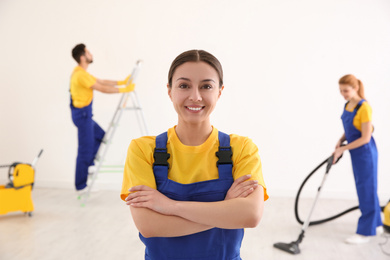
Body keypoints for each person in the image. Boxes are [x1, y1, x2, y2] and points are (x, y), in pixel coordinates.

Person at [121, 50, 268, 259]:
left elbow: (251, 215)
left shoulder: (242, 149)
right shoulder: (144, 150)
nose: (195, 96)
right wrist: (225, 211)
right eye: (184, 85)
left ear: (219, 92)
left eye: (206, 86)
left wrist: (170, 206)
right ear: (169, 91)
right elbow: (149, 225)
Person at [70, 43, 135, 195]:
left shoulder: (82, 72)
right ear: (82, 57)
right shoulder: (80, 75)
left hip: (84, 115)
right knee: (84, 150)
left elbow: (101, 81)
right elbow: (101, 88)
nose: (90, 54)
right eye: (88, 52)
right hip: (82, 115)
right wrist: (123, 90)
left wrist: (121, 82)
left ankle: (91, 165)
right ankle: (80, 186)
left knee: (101, 135)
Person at [333, 74, 382, 244]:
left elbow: (365, 138)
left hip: (365, 153)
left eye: (346, 90)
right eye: (340, 91)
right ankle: (376, 224)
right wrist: (341, 140)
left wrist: (342, 149)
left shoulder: (364, 107)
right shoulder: (348, 104)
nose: (343, 94)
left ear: (355, 88)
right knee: (366, 188)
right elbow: (350, 127)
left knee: (366, 190)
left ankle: (365, 233)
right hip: (355, 152)